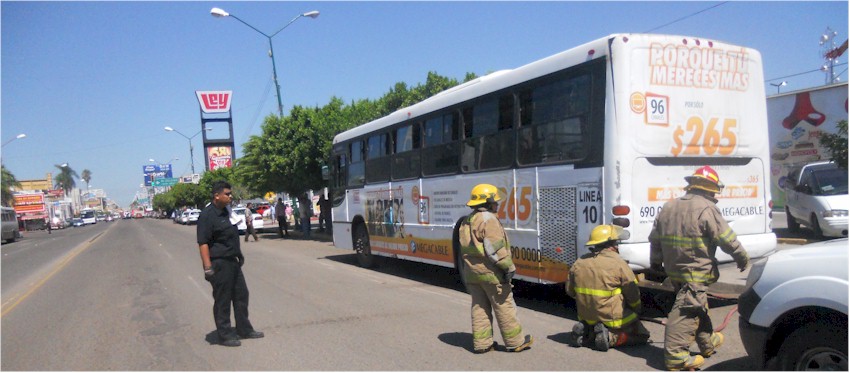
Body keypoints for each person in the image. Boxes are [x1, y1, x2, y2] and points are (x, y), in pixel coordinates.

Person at [649, 166, 749, 371]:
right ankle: (676, 358)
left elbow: (655, 240)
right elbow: (726, 239)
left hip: (674, 271)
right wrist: (742, 257)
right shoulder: (706, 208)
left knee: (696, 305)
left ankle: (707, 343)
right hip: (695, 272)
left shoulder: (669, 206)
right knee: (686, 312)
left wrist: (655, 263)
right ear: (711, 189)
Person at [458, 183, 533, 354]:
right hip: (491, 274)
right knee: (504, 306)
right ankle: (515, 342)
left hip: (472, 274)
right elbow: (495, 249)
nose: (497, 205)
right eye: (496, 202)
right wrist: (508, 267)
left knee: (479, 307)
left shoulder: (467, 221)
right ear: (488, 202)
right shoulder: (488, 220)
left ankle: (482, 344)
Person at [197, 181, 263, 347]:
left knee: (242, 295)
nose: (230, 196)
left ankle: (244, 329)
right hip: (219, 263)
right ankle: (225, 334)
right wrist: (207, 267)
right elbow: (203, 243)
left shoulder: (228, 212)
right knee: (223, 300)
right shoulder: (207, 215)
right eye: (227, 194)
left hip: (233, 262)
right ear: (217, 195)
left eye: (230, 193)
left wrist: (238, 255)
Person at [566, 224, 650, 351]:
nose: (617, 246)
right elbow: (632, 292)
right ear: (611, 245)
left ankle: (586, 333)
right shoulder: (618, 263)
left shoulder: (579, 262)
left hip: (585, 314)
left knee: (593, 321)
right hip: (611, 317)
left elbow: (570, 291)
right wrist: (636, 308)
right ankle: (610, 337)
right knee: (642, 335)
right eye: (616, 242)